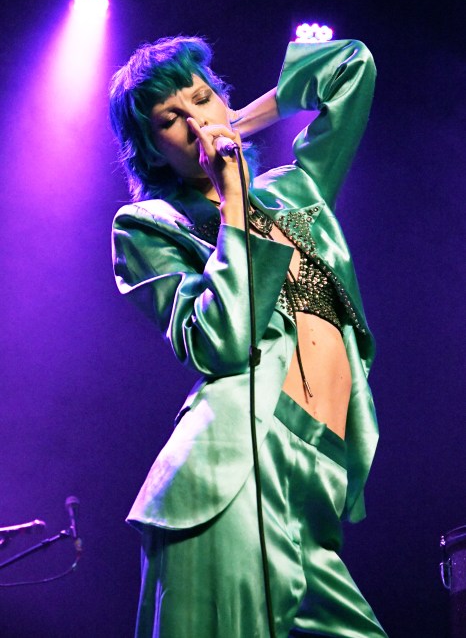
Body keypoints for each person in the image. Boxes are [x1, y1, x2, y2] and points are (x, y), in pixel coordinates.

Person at [109, 34, 388, 638]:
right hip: (231, 470)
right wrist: (231, 198)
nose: (194, 123)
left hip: (318, 470)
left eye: (201, 99)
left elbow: (352, 66)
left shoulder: (296, 191)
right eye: (169, 120)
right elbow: (222, 342)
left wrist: (241, 121)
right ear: (152, 152)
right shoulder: (150, 225)